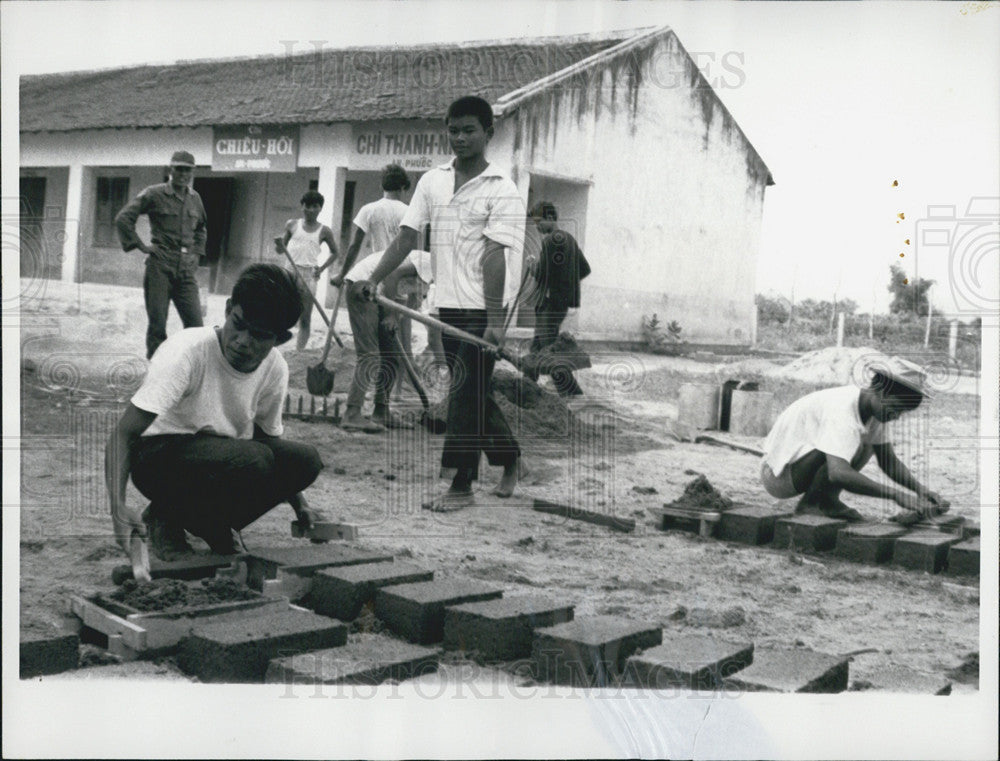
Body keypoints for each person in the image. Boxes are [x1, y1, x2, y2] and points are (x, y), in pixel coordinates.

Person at [358, 95, 526, 511]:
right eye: (453, 130)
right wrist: (376, 278)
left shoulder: (501, 190)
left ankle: (461, 485)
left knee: (466, 393)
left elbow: (494, 256)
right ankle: (510, 458)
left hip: (483, 307)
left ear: (489, 133)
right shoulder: (432, 180)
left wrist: (494, 320)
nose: (460, 138)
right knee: (473, 391)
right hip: (446, 305)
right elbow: (407, 237)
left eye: (469, 130)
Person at [105, 264, 324, 559]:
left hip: (222, 458)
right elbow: (124, 433)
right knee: (252, 460)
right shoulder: (188, 351)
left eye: (259, 335)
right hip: (158, 459)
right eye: (239, 324)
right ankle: (168, 517)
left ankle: (210, 523)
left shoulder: (275, 368)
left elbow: (268, 442)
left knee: (305, 461)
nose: (243, 341)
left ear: (280, 339)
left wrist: (301, 505)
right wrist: (118, 508)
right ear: (229, 308)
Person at [760, 356, 950, 524]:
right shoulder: (842, 409)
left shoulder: (876, 411)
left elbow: (888, 461)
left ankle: (827, 501)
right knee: (853, 446)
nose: (896, 416)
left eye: (902, 413)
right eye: (896, 408)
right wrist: (895, 494)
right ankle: (812, 505)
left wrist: (921, 490)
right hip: (778, 476)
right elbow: (838, 473)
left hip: (799, 468)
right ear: (881, 392)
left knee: (866, 445)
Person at [115, 150, 207, 359]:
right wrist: (141, 245)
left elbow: (201, 229)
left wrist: (196, 254)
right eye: (179, 169)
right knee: (158, 324)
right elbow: (123, 218)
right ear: (170, 170)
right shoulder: (154, 193)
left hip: (185, 269)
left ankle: (192, 371)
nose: (184, 174)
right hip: (160, 266)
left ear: (193, 172)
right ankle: (156, 371)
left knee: (196, 327)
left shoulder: (195, 199)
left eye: (188, 170)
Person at [340, 249, 433, 433]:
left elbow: (404, 303)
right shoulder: (430, 261)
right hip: (364, 286)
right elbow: (392, 274)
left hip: (382, 295)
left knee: (392, 357)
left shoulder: (436, 277)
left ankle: (381, 412)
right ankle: (352, 414)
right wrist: (390, 315)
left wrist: (394, 320)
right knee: (370, 354)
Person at [528, 201, 591, 396]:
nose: (537, 227)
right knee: (538, 346)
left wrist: (532, 268)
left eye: (539, 222)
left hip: (549, 304)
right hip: (558, 304)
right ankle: (527, 385)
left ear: (549, 218)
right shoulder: (569, 239)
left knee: (547, 350)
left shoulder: (550, 241)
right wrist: (566, 286)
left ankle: (572, 392)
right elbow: (585, 268)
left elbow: (543, 274)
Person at [275, 190, 338, 350]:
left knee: (305, 318)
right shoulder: (292, 225)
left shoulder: (324, 230)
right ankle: (274, 348)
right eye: (307, 206)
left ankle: (299, 351)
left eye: (314, 206)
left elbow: (335, 252)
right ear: (302, 207)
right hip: (289, 271)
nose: (310, 210)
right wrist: (279, 245)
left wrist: (321, 269)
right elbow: (280, 250)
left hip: (309, 275)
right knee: (280, 311)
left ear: (320, 209)